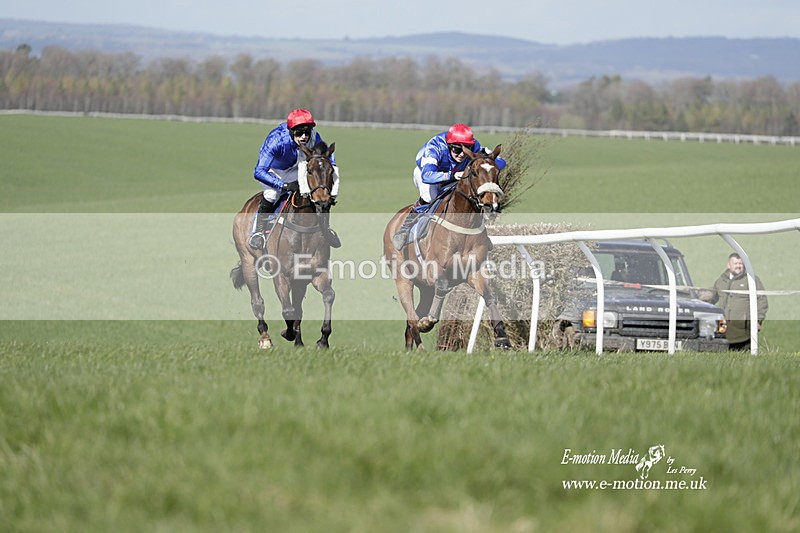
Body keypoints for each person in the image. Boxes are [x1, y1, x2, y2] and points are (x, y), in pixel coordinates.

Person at [390, 123, 507, 250]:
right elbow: (427, 176)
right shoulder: (435, 147)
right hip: (428, 174)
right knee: (429, 197)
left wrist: (483, 164)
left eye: (465, 150)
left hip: (457, 175)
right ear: (449, 145)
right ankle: (405, 229)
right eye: (457, 150)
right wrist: (452, 175)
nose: (462, 155)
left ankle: (479, 234)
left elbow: (501, 162)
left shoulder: (475, 146)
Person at [248, 108, 341, 250]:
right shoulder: (276, 140)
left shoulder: (314, 137)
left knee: (317, 191)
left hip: (298, 167)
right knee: (271, 195)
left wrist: (330, 168)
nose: (304, 137)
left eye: (307, 132)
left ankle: (325, 228)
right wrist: (283, 185)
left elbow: (327, 155)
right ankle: (258, 232)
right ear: (292, 132)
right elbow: (259, 171)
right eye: (299, 133)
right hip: (275, 171)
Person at [706, 252, 768, 350]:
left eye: (741, 264)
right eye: (735, 263)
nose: (738, 266)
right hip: (723, 330)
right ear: (728, 265)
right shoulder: (721, 281)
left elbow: (762, 300)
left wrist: (758, 320)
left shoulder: (751, 280)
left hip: (744, 332)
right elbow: (710, 297)